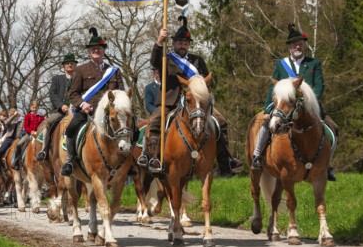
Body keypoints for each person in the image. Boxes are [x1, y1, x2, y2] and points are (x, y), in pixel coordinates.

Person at [139, 16, 242, 176]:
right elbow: (154, 61)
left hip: (196, 103)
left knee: (220, 121)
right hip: (170, 101)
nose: (182, 46)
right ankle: (153, 158)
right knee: (154, 122)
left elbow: (207, 81)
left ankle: (225, 161)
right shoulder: (166, 58)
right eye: (179, 43)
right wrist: (159, 42)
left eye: (185, 44)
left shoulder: (197, 60)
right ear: (173, 43)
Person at [252, 23, 339, 181]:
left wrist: (309, 101)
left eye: (300, 43)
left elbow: (319, 86)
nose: (297, 46)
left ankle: (327, 165)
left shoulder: (314, 64)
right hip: (284, 105)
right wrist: (266, 110)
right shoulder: (281, 65)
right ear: (289, 47)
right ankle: (257, 155)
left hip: (309, 107)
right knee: (266, 124)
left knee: (333, 128)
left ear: (304, 45)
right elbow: (273, 87)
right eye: (294, 44)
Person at [61, 27, 126, 176]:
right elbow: (73, 94)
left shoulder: (114, 71)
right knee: (71, 128)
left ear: (103, 51)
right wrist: (82, 104)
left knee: (131, 126)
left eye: (99, 48)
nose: (96, 50)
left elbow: (121, 92)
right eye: (93, 49)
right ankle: (70, 160)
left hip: (111, 112)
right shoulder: (81, 70)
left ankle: (129, 161)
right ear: (89, 51)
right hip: (88, 111)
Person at [36, 54, 77, 161]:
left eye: (72, 63)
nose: (69, 65)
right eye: (67, 63)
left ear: (75, 65)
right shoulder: (57, 79)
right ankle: (44, 150)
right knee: (47, 123)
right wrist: (61, 105)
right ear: (64, 66)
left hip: (76, 111)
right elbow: (52, 94)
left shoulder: (79, 79)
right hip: (60, 111)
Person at [12, 100, 45, 170]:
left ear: (38, 108)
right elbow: (26, 126)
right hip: (29, 134)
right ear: (31, 108)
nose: (34, 109)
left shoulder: (41, 117)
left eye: (36, 108)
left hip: (38, 135)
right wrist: (31, 132)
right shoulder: (27, 116)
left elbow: (43, 126)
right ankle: (16, 162)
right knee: (19, 145)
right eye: (33, 107)